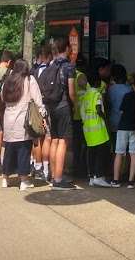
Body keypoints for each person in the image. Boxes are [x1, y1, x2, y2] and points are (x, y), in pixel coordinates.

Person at [0, 59, 46, 191]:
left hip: (8, 120)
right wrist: (43, 115)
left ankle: (5, 178)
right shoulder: (29, 80)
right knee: (23, 150)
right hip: (23, 121)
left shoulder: (8, 80)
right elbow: (38, 100)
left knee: (9, 149)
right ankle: (23, 180)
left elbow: (2, 97)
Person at [40, 36, 76, 190]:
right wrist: (75, 105)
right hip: (63, 106)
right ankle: (59, 179)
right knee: (63, 141)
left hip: (51, 107)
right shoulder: (69, 66)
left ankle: (54, 175)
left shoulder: (51, 65)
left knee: (54, 139)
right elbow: (72, 91)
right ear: (67, 49)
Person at [77, 72, 112, 187]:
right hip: (98, 129)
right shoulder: (97, 94)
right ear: (97, 82)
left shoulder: (86, 94)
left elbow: (82, 111)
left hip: (88, 129)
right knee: (100, 153)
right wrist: (105, 118)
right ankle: (99, 176)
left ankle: (91, 177)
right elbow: (98, 109)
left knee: (91, 153)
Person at [30, 43, 53, 182]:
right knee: (47, 138)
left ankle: (36, 166)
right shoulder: (50, 70)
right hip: (46, 107)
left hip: (34, 108)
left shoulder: (34, 71)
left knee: (36, 138)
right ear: (49, 56)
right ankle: (45, 168)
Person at [111, 76, 135, 188]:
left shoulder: (127, 96)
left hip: (123, 126)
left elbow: (121, 110)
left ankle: (116, 180)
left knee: (119, 153)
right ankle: (131, 181)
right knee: (133, 154)